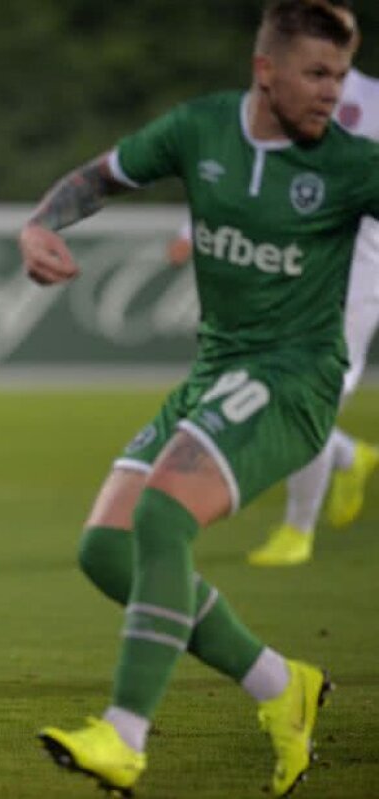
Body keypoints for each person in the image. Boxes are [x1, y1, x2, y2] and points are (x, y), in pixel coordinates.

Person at [18, 1, 379, 795]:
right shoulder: (201, 129)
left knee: (161, 514)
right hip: (218, 370)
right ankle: (281, 684)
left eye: (341, 76)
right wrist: (44, 223)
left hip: (295, 378)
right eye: (316, 73)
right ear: (265, 72)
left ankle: (125, 735)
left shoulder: (354, 164)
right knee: (106, 550)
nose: (333, 92)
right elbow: (101, 177)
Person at [165, 53, 379, 567]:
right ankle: (349, 458)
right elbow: (238, 169)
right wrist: (188, 229)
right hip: (288, 272)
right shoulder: (274, 93)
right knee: (262, 392)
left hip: (358, 275)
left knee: (302, 399)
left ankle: (297, 531)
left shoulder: (372, 102)